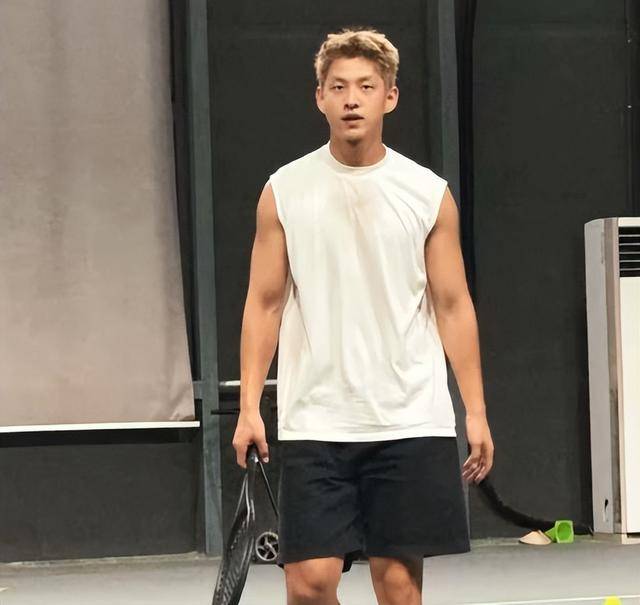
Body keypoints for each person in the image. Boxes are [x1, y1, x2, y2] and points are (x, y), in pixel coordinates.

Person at [232, 26, 494, 605]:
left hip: (409, 420)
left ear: (389, 97)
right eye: (339, 86)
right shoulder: (284, 191)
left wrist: (474, 412)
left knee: (398, 587)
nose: (352, 99)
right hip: (315, 421)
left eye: (366, 87)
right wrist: (249, 407)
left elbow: (453, 305)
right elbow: (264, 303)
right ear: (320, 98)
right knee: (309, 583)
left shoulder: (426, 193)